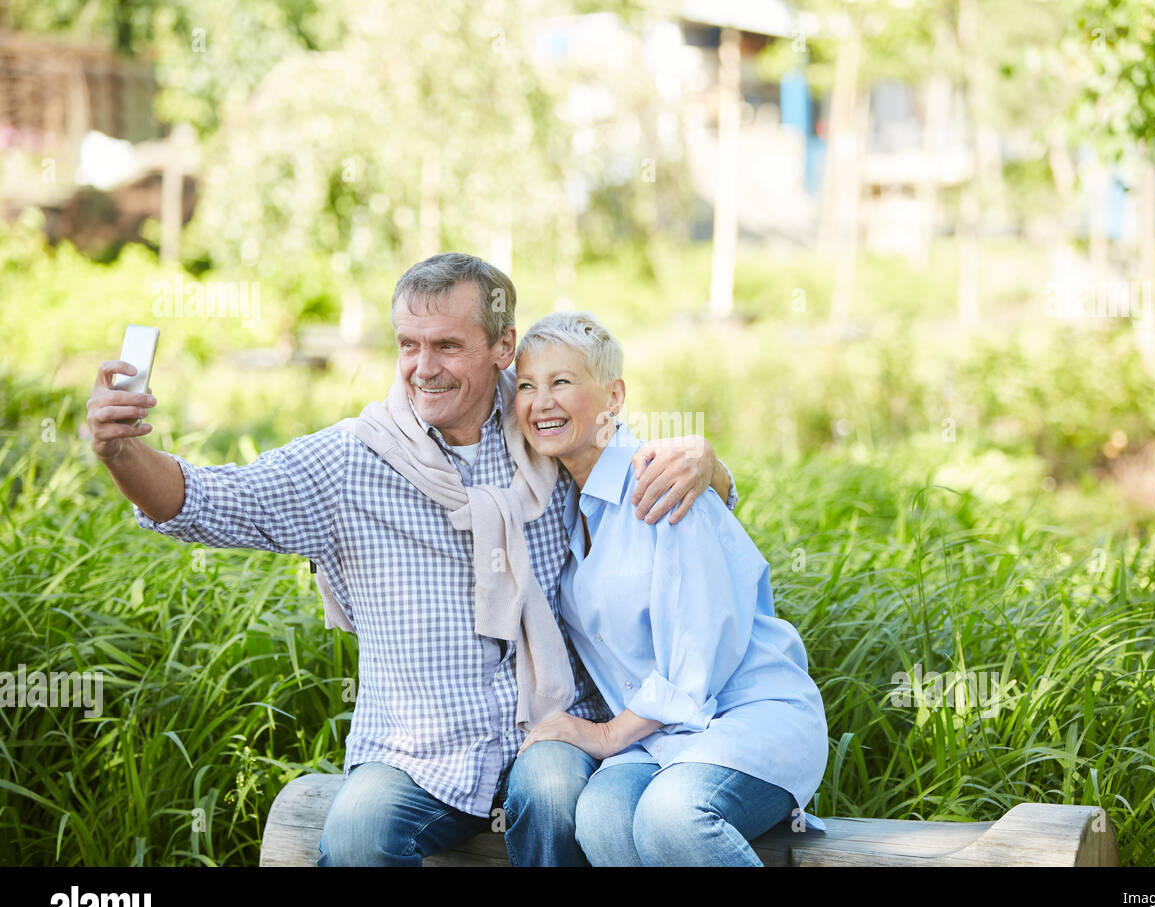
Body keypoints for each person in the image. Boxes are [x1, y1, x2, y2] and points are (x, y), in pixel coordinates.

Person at [84, 253, 737, 866]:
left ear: (502, 348)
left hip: (552, 729)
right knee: (358, 832)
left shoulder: (546, 425)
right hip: (416, 750)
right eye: (408, 344)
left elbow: (652, 478)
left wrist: (711, 466)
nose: (423, 367)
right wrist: (121, 453)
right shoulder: (350, 462)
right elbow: (201, 500)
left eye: (448, 345)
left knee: (559, 799)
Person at [506, 311, 828, 866]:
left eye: (562, 382)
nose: (540, 402)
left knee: (671, 819)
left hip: (746, 714)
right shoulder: (555, 502)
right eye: (528, 386)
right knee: (601, 818)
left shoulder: (664, 479)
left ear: (614, 395)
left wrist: (606, 736)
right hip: (658, 739)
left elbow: (699, 652)